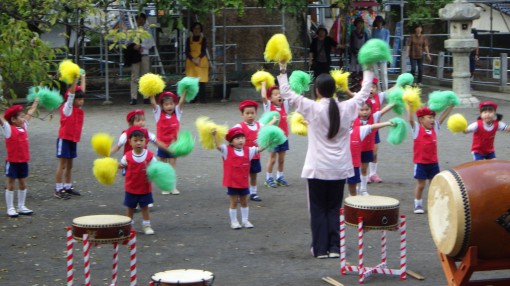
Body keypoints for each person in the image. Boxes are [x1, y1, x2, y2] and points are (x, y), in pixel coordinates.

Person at [277, 61, 375, 258]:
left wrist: (282, 70)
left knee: (318, 209)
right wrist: (368, 68)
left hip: (318, 168)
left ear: (317, 91)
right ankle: (335, 248)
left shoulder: (312, 107)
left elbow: (287, 93)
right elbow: (364, 92)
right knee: (334, 208)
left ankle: (320, 248)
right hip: (340, 168)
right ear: (334, 89)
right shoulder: (348, 107)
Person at [407, 105, 453, 214]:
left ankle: (434, 204)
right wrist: (409, 105)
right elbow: (410, 119)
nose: (433, 120)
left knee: (434, 185)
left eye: (433, 117)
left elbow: (443, 117)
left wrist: (451, 106)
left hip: (433, 163)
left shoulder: (435, 128)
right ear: (421, 119)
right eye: (429, 117)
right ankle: (418, 204)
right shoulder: (417, 129)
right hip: (420, 164)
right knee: (421, 185)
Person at [213, 127, 263, 229]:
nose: (240, 140)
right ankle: (234, 221)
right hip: (232, 182)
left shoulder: (248, 150)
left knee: (244, 201)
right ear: (231, 141)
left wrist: (267, 140)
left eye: (242, 138)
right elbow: (218, 146)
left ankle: (245, 221)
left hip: (243, 182)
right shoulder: (226, 150)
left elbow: (260, 149)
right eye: (237, 138)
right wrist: (214, 136)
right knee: (234, 202)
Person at [1, 101, 39, 217]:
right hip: (12, 162)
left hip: (23, 161)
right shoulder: (8, 129)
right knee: (11, 184)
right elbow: (1, 119)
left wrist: (36, 102)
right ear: (13, 119)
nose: (24, 119)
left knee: (23, 183)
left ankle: (21, 206)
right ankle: (10, 208)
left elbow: (30, 113)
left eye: (23, 117)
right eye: (21, 117)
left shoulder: (24, 127)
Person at [119, 128, 157, 235]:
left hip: (145, 188)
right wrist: (111, 165)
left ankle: (147, 225)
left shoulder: (150, 156)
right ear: (130, 142)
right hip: (131, 188)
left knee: (145, 207)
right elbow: (122, 165)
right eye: (135, 140)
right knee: (130, 208)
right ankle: (128, 226)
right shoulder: (127, 156)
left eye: (141, 140)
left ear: (146, 142)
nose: (138, 143)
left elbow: (156, 168)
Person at [54, 75, 86, 199]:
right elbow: (72, 94)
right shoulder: (68, 108)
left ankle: (67, 186)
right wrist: (74, 80)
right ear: (72, 100)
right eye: (79, 100)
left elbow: (80, 91)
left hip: (73, 139)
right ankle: (58, 189)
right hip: (64, 139)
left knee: (70, 165)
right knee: (62, 165)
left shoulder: (78, 108)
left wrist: (83, 78)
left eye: (82, 99)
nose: (81, 101)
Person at [353, 100, 394, 196]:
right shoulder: (353, 117)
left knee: (364, 169)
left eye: (367, 109)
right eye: (361, 110)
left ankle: (363, 189)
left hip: (367, 148)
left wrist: (395, 102)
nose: (364, 112)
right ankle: (354, 188)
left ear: (371, 110)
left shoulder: (374, 117)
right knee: (354, 169)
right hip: (355, 149)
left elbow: (384, 110)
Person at [148, 91, 186, 194]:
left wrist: (185, 90)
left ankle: (172, 187)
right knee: (163, 166)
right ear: (162, 106)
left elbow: (181, 102)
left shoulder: (177, 113)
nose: (169, 106)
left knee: (172, 166)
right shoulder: (158, 113)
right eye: (166, 104)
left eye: (171, 104)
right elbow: (153, 104)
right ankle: (164, 187)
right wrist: (151, 91)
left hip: (174, 146)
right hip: (162, 145)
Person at [347, 121, 394, 196]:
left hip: (353, 167)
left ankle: (353, 203)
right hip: (339, 167)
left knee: (352, 191)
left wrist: (387, 123)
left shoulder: (359, 130)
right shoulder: (337, 131)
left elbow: (373, 126)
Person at [260, 82, 290, 188]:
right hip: (273, 138)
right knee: (272, 159)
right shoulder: (268, 107)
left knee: (281, 159)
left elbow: (287, 93)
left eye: (279, 94)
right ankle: (268, 178)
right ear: (270, 98)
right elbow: (263, 96)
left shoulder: (285, 106)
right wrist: (263, 84)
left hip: (284, 137)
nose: (279, 95)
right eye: (275, 94)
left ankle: (279, 177)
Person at [128, 13, 154, 105]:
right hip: (135, 56)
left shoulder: (148, 31)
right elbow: (129, 43)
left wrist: (141, 46)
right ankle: (133, 97)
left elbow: (150, 44)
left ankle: (146, 96)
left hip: (144, 55)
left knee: (145, 76)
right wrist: (134, 47)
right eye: (138, 19)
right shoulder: (132, 31)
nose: (140, 21)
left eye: (142, 19)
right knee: (134, 77)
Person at [185, 22, 209, 103]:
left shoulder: (203, 39)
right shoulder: (188, 39)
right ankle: (192, 99)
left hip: (201, 61)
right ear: (192, 30)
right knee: (191, 82)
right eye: (195, 28)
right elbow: (187, 51)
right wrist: (193, 59)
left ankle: (203, 100)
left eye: (198, 28)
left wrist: (198, 59)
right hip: (191, 62)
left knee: (201, 81)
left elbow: (203, 51)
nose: (197, 30)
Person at [371, 16, 390, 91]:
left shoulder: (386, 31)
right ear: (376, 23)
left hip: (382, 54)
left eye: (380, 22)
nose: (379, 23)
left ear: (382, 23)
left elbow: (386, 43)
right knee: (375, 74)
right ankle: (378, 90)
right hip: (375, 54)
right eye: (378, 22)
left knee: (384, 73)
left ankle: (385, 91)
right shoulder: (374, 32)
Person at [349, 17, 369, 82]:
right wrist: (355, 52)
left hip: (362, 54)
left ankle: (361, 85)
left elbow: (366, 44)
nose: (360, 25)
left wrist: (363, 52)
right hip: (354, 54)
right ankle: (354, 85)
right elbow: (351, 44)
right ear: (356, 24)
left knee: (362, 70)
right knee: (354, 70)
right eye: (358, 23)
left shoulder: (365, 34)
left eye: (361, 23)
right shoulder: (353, 33)